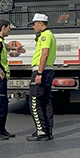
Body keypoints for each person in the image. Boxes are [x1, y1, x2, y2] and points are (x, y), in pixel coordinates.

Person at [27, 13, 56, 141]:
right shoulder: (48, 35)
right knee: (46, 102)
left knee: (34, 102)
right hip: (47, 71)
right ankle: (48, 131)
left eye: (34, 24)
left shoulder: (45, 36)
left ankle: (41, 131)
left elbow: (44, 55)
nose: (33, 26)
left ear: (41, 24)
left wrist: (39, 73)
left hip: (41, 71)